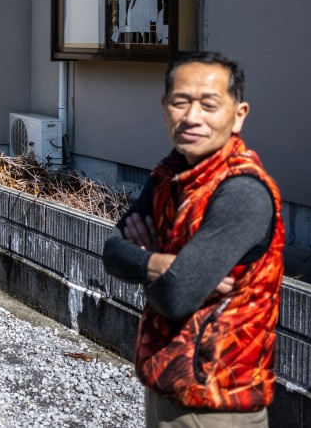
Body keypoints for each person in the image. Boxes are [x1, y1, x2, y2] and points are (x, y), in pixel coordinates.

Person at [103, 52, 285, 428]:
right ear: (164, 107)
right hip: (167, 385)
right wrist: (158, 263)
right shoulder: (169, 174)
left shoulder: (242, 192)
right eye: (180, 102)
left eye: (209, 104)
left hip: (217, 404)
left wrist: (157, 266)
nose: (191, 116)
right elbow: (112, 253)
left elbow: (176, 296)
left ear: (239, 114)